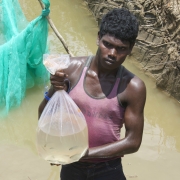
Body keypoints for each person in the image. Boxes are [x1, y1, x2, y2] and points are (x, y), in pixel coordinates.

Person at [38, 8, 146, 180]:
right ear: (98, 38)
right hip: (72, 167)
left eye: (121, 49)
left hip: (108, 168)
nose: (112, 54)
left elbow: (133, 142)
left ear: (130, 49)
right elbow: (44, 115)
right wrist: (54, 89)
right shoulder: (70, 70)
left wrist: (82, 154)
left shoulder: (133, 87)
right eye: (107, 44)